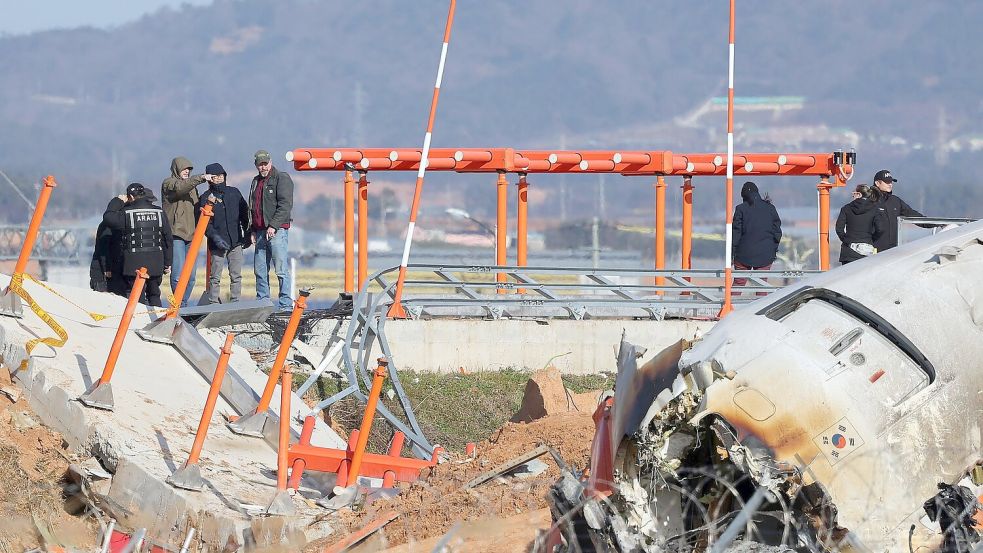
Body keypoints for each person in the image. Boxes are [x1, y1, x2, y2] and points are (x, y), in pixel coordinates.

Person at [102, 183, 173, 307]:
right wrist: (167, 262)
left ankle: (139, 321)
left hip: (133, 263)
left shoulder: (127, 213)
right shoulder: (159, 212)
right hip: (156, 261)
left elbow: (108, 217)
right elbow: (167, 239)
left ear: (130, 196)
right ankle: (158, 322)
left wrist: (117, 200)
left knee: (136, 294)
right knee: (154, 294)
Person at [161, 157, 214, 306]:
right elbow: (180, 188)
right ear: (176, 169)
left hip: (192, 236)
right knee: (178, 274)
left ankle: (183, 302)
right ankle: (178, 304)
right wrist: (201, 177)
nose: (187, 171)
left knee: (191, 276)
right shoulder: (169, 183)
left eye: (189, 169)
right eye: (184, 169)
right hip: (176, 234)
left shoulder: (192, 188)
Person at [247, 150, 294, 310]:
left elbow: (285, 205)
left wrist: (273, 225)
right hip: (259, 232)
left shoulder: (281, 178)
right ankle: (263, 303)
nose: (263, 167)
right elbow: (253, 207)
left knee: (280, 270)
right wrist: (252, 229)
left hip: (277, 231)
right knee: (260, 270)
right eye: (260, 164)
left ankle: (286, 305)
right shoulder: (255, 181)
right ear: (256, 165)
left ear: (270, 162)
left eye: (265, 163)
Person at [198, 162, 250, 303]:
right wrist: (215, 238)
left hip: (236, 241)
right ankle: (213, 303)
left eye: (221, 176)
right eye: (215, 177)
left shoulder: (234, 192)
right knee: (215, 277)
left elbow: (245, 214)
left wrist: (247, 234)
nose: (219, 179)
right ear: (210, 179)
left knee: (236, 275)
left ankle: (235, 302)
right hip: (217, 245)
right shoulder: (205, 197)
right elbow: (204, 224)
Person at [731, 181, 782, 294]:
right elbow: (777, 232)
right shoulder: (770, 208)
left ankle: (731, 309)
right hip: (765, 254)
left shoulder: (740, 209)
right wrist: (773, 249)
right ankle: (760, 311)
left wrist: (732, 253)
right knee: (761, 284)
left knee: (739, 282)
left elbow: (736, 233)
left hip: (743, 254)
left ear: (743, 195)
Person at [870, 169, 923, 252]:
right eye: (886, 182)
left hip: (893, 251)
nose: (890, 184)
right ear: (877, 183)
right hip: (874, 251)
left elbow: (913, 215)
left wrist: (936, 224)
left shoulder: (895, 201)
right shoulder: (869, 201)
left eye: (891, 182)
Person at [836, 184, 885, 265]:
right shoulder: (875, 209)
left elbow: (839, 229)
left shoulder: (846, 208)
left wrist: (847, 240)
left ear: (859, 194)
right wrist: (871, 239)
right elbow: (880, 229)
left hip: (849, 253)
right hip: (867, 251)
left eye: (854, 194)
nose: (853, 196)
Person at [89, 198, 125, 295]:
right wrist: (107, 268)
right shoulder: (108, 226)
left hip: (108, 270)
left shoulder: (110, 225)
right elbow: (103, 249)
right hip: (103, 272)